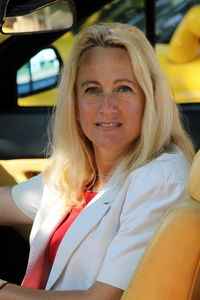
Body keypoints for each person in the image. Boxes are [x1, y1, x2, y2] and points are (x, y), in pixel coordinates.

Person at [0, 22, 195, 299]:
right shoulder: (83, 172)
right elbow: (6, 203)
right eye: (92, 89)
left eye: (124, 88)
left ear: (149, 98)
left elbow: (100, 298)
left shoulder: (159, 179)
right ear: (75, 105)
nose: (107, 107)